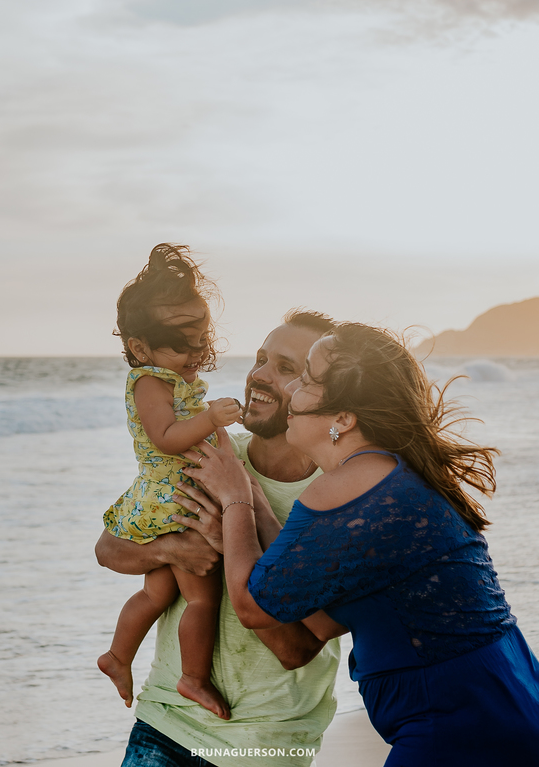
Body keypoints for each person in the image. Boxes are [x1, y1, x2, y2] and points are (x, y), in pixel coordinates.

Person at [178, 323, 539, 767]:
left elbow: (253, 605)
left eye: (306, 378)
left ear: (343, 418)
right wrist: (255, 505)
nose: (292, 389)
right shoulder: (387, 474)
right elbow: (319, 624)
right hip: (519, 699)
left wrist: (233, 499)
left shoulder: (346, 488)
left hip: (461, 722)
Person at [95, 309, 342, 767]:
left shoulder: (336, 497)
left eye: (287, 369)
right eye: (262, 358)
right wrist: (175, 549)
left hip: (263, 740)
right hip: (165, 719)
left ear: (323, 396)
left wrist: (235, 530)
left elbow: (297, 648)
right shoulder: (209, 454)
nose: (260, 376)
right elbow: (108, 549)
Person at [97, 243, 243, 720]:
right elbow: (165, 438)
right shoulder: (150, 383)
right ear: (141, 347)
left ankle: (118, 656)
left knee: (156, 595)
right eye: (184, 342)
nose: (197, 351)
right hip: (171, 503)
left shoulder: (173, 378)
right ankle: (193, 678)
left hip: (175, 498)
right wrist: (212, 418)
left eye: (202, 339)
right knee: (201, 596)